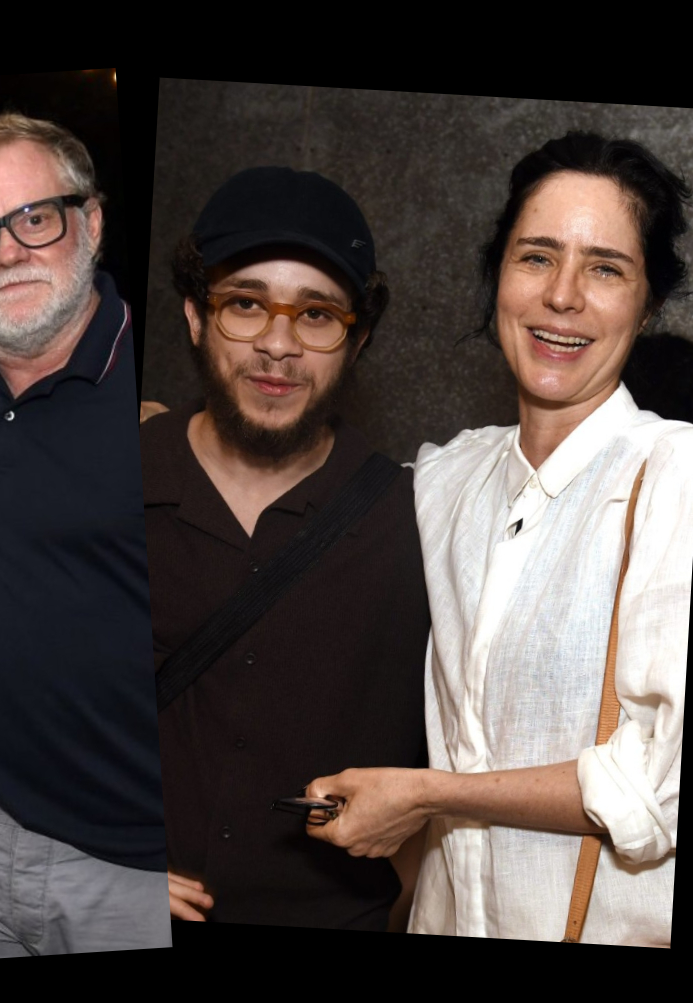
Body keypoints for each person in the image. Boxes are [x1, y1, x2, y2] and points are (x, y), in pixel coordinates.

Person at [307, 133, 689, 946]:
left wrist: (429, 794)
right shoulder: (447, 480)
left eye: (606, 269)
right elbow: (310, 511)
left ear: (649, 303)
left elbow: (657, 783)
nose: (562, 296)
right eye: (536, 257)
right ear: (498, 275)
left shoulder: (675, 475)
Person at [0, 114, 169, 960]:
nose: (7, 252)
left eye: (34, 219)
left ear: (92, 220)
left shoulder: (166, 395)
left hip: (128, 858)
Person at [144, 167, 431, 930]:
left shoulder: (418, 522)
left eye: (316, 315)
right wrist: (98, 863)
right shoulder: (108, 482)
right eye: (245, 303)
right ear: (195, 316)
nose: (278, 345)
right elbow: (33, 711)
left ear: (357, 339)